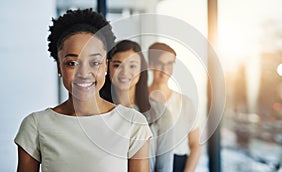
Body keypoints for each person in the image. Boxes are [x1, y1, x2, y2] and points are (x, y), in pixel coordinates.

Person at [14, 9, 152, 172]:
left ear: (106, 66)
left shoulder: (133, 123)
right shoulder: (36, 125)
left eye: (94, 62)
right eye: (72, 63)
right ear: (59, 67)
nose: (84, 73)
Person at [100, 40, 174, 172]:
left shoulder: (160, 113)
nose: (124, 72)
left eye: (132, 66)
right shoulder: (96, 112)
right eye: (117, 65)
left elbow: (164, 167)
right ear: (107, 68)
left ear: (142, 70)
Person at [148, 42, 201, 172]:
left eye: (169, 64)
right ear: (150, 64)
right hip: (148, 163)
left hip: (179, 164)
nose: (165, 70)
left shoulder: (185, 103)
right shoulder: (139, 101)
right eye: (160, 63)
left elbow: (195, 145)